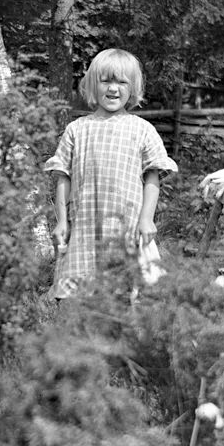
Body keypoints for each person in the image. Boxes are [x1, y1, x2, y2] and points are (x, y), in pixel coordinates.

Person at [45, 48, 177, 298]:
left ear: (133, 88)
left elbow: (152, 177)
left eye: (121, 82)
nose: (113, 89)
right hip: (84, 224)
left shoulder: (142, 130)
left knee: (123, 291)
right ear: (93, 85)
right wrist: (62, 221)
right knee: (78, 293)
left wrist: (147, 218)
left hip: (125, 226)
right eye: (105, 81)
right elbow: (63, 177)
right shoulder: (76, 129)